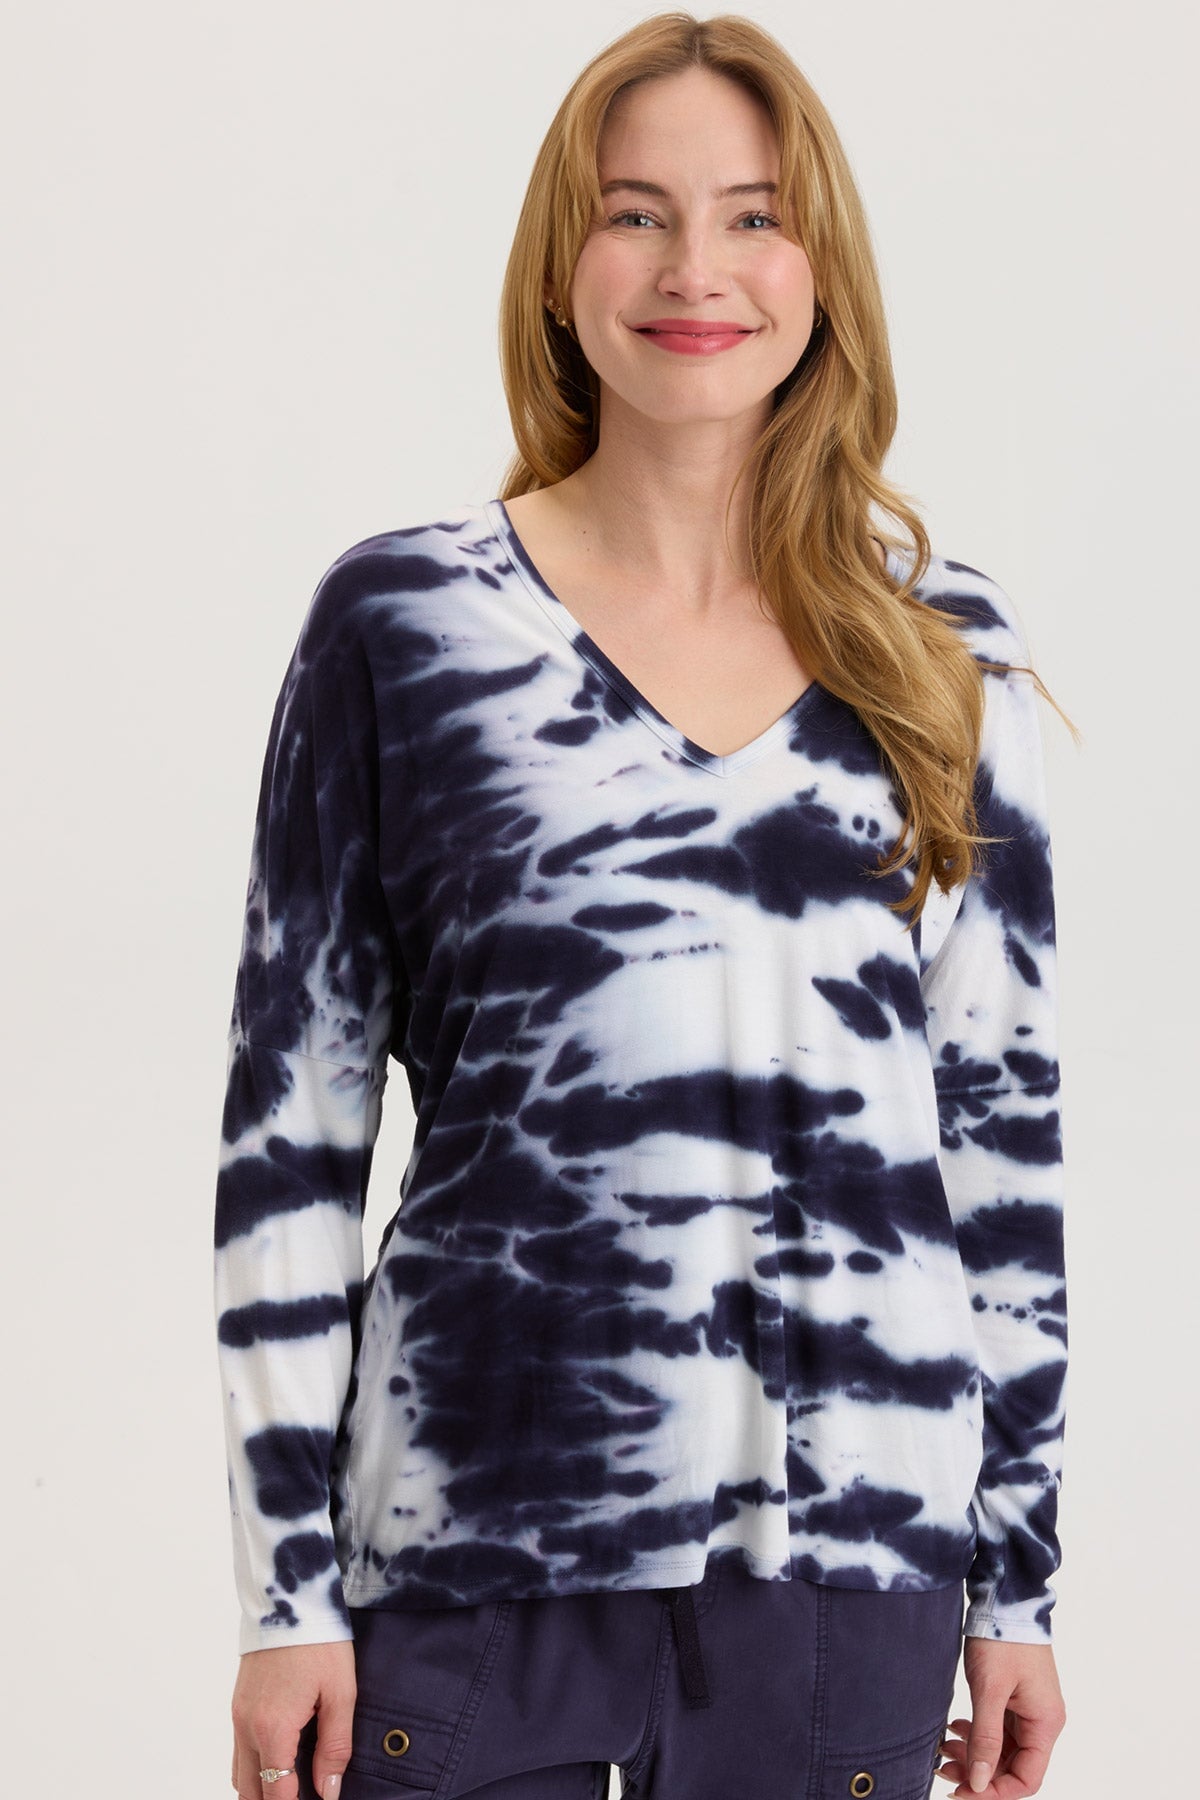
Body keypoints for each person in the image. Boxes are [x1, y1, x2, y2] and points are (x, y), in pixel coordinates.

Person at [213, 12, 1071, 1800]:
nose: (697, 270)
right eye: (636, 214)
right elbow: (293, 1137)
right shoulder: (406, 628)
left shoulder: (944, 653)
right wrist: (284, 1595)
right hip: (473, 1555)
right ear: (561, 263)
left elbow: (999, 1145)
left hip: (849, 1565)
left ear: (822, 267)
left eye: (755, 216)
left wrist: (1022, 1586)